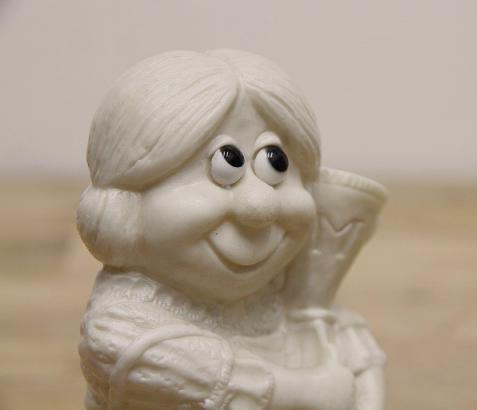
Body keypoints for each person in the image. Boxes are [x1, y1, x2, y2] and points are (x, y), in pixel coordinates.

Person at [77, 49, 385, 409]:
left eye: (275, 162)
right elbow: (144, 357)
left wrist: (352, 356)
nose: (260, 205)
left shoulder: (285, 304)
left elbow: (361, 379)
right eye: (225, 166)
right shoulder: (123, 322)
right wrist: (306, 390)